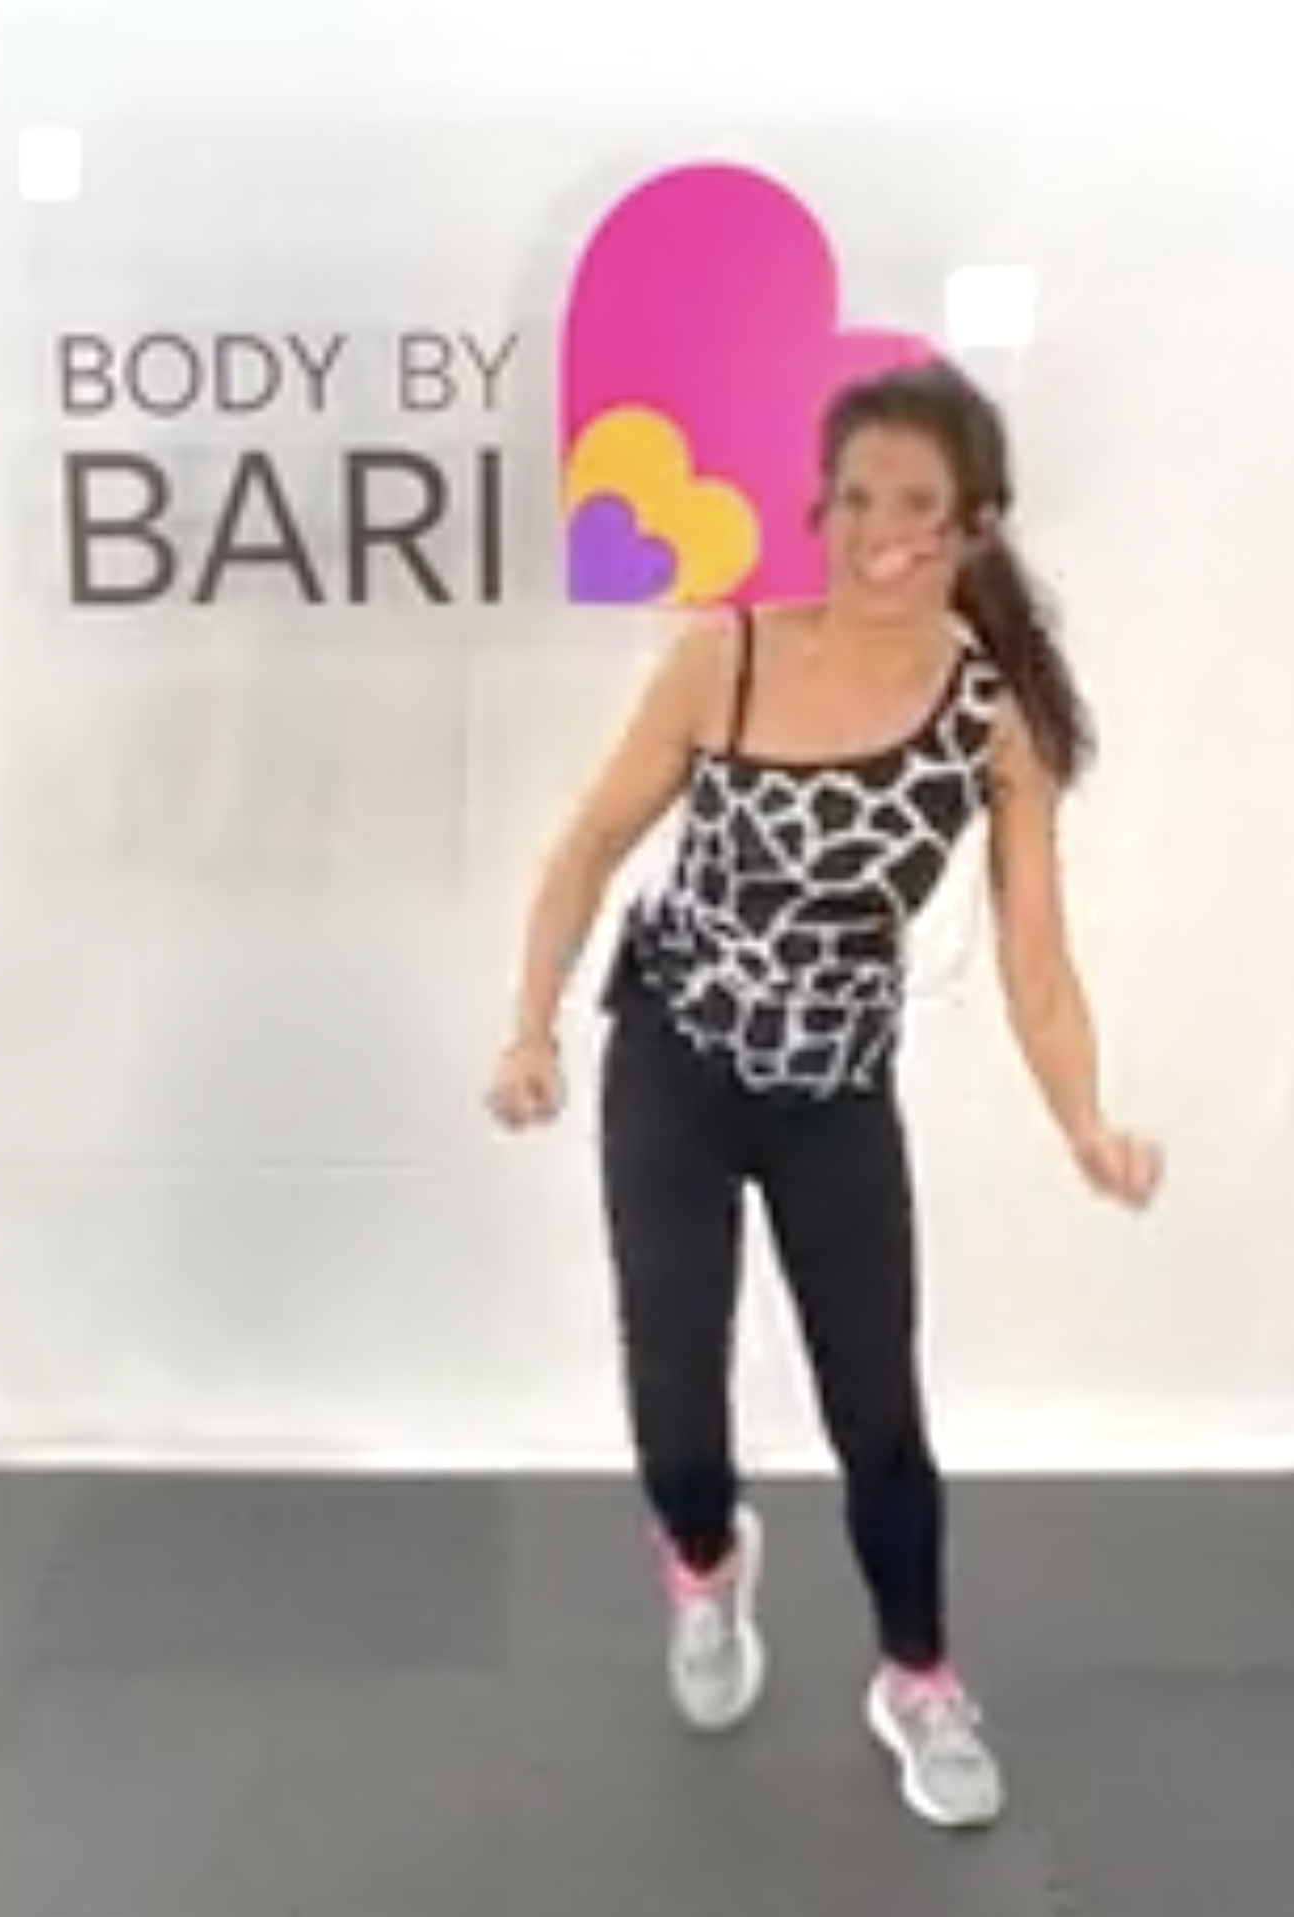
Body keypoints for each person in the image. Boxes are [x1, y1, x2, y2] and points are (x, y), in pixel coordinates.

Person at [484, 359, 1162, 1831]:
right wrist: (530, 1027)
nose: (876, 534)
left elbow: (1036, 958)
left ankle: (916, 1677)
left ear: (974, 525)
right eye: (853, 499)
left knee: (879, 1410)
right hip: (674, 1058)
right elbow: (587, 847)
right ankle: (704, 1557)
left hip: (834, 1095)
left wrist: (1084, 1123)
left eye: (914, 505)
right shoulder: (722, 657)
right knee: (675, 1397)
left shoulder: (991, 724)